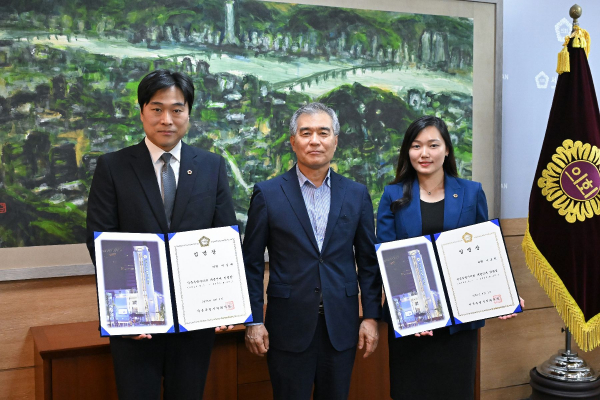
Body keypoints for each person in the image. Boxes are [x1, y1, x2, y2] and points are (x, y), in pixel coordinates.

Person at [86, 69, 236, 399]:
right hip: (137, 321)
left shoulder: (212, 166)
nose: (166, 119)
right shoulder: (113, 166)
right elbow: (100, 239)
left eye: (176, 109)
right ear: (142, 112)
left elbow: (225, 235)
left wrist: (225, 305)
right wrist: (128, 314)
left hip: (196, 318)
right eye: (157, 109)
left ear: (188, 114)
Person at [242, 102, 382, 400]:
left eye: (323, 132)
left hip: (341, 326)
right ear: (293, 141)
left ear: (335, 141)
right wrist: (253, 320)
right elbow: (251, 263)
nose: (315, 140)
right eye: (306, 133)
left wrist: (371, 317)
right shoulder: (267, 194)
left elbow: (368, 262)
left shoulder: (356, 194)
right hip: (287, 326)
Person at [376, 115, 523, 399]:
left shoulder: (470, 192)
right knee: (410, 392)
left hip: (460, 319)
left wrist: (506, 293)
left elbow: (487, 248)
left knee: (456, 391)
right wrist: (414, 313)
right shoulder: (393, 195)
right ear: (408, 151)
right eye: (416, 146)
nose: (425, 153)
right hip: (413, 320)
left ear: (446, 150)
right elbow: (387, 255)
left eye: (433, 145)